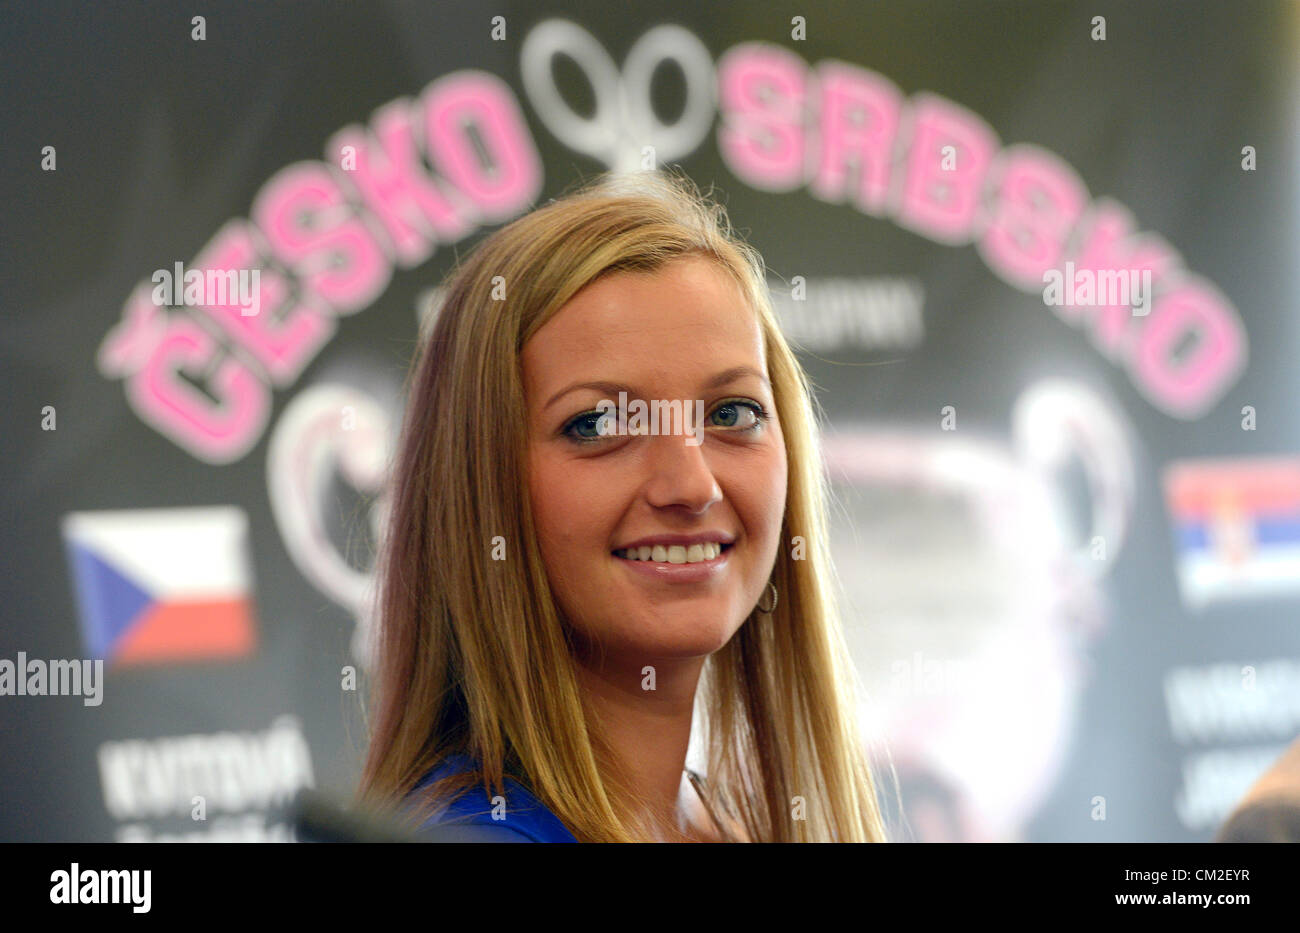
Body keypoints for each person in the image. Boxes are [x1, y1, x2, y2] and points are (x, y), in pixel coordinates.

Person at [355, 168, 892, 842]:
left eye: (732, 411)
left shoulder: (718, 820)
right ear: (480, 488)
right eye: (599, 425)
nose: (692, 485)